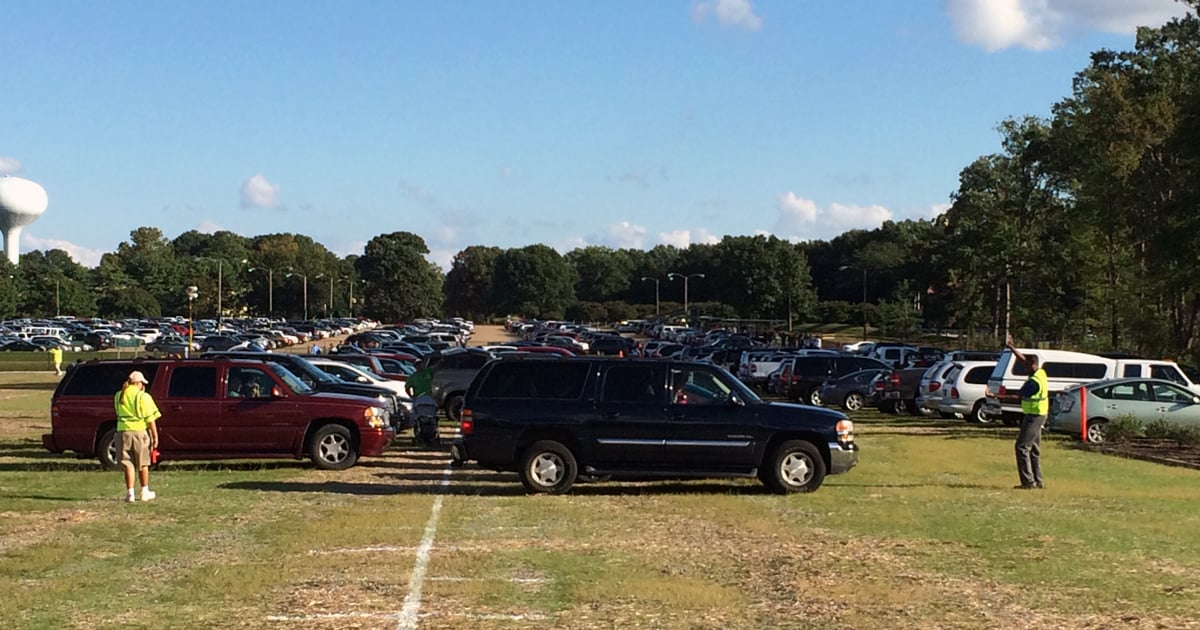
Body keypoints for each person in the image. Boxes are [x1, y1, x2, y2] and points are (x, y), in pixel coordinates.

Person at [1007, 334, 1048, 490]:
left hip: (1034, 417)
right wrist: (1012, 348)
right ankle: (1038, 481)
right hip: (1040, 414)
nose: (1024, 368)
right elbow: (1024, 359)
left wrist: (994, 396)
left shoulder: (1033, 382)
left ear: (1032, 365)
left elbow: (1017, 397)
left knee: (1022, 447)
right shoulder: (1040, 372)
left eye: (1025, 366)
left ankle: (1028, 482)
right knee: (1034, 450)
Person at [113, 370, 161, 502]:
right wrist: (155, 436)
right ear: (138, 383)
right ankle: (144, 491)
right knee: (143, 463)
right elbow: (150, 419)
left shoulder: (118, 395)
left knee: (128, 464)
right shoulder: (143, 397)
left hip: (122, 432)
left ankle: (130, 493)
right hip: (139, 432)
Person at [406, 364, 438, 446]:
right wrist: (412, 396)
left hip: (429, 398)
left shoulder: (427, 372)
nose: (419, 366)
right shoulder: (413, 377)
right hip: (419, 399)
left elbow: (435, 367)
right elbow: (407, 387)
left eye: (420, 364)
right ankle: (420, 436)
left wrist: (441, 360)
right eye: (417, 365)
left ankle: (432, 435)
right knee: (418, 418)